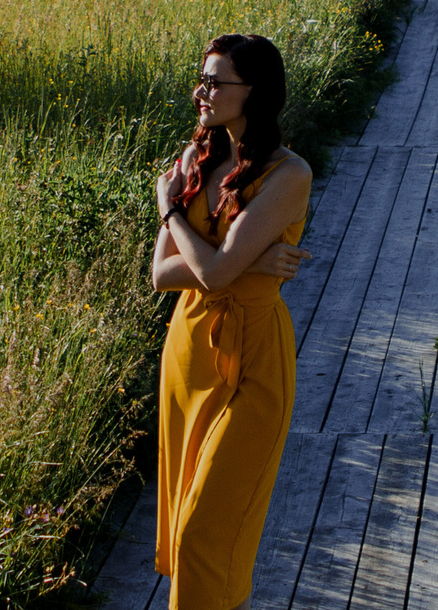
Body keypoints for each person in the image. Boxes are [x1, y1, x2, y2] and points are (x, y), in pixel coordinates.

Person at [151, 32, 312, 610]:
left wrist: (171, 211)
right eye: (202, 79)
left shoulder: (288, 174)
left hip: (254, 359)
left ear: (255, 92)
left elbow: (215, 272)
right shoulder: (194, 159)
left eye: (217, 82)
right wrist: (247, 261)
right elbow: (161, 273)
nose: (202, 92)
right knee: (192, 535)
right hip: (189, 350)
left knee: (207, 533)